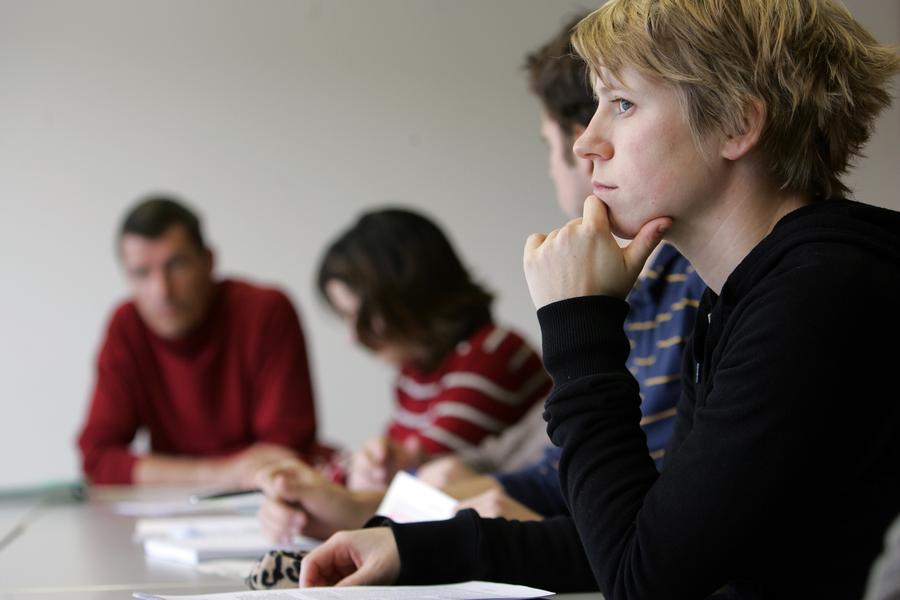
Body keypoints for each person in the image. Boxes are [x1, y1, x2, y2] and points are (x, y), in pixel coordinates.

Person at [296, 1, 900, 598]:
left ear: (737, 125)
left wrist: (578, 326)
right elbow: (656, 539)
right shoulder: (742, 296)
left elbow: (646, 582)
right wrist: (415, 549)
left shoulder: (820, 298)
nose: (587, 142)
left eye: (623, 104)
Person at [255, 15, 704, 538]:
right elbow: (566, 477)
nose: (586, 146)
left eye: (623, 106)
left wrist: (577, 315)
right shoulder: (649, 286)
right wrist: (368, 506)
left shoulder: (695, 288)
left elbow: (653, 528)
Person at [78, 196, 323, 485]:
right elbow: (97, 457)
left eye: (177, 265)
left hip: (267, 503)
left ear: (208, 261)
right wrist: (221, 473)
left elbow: (284, 451)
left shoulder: (265, 312)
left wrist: (171, 474)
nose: (162, 291)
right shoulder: (126, 326)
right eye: (142, 273)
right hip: (178, 511)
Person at [318, 208, 551, 492]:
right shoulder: (414, 373)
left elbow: (404, 475)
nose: (353, 338)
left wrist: (352, 474)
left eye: (360, 316)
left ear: (407, 296)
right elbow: (382, 465)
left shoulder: (493, 354)